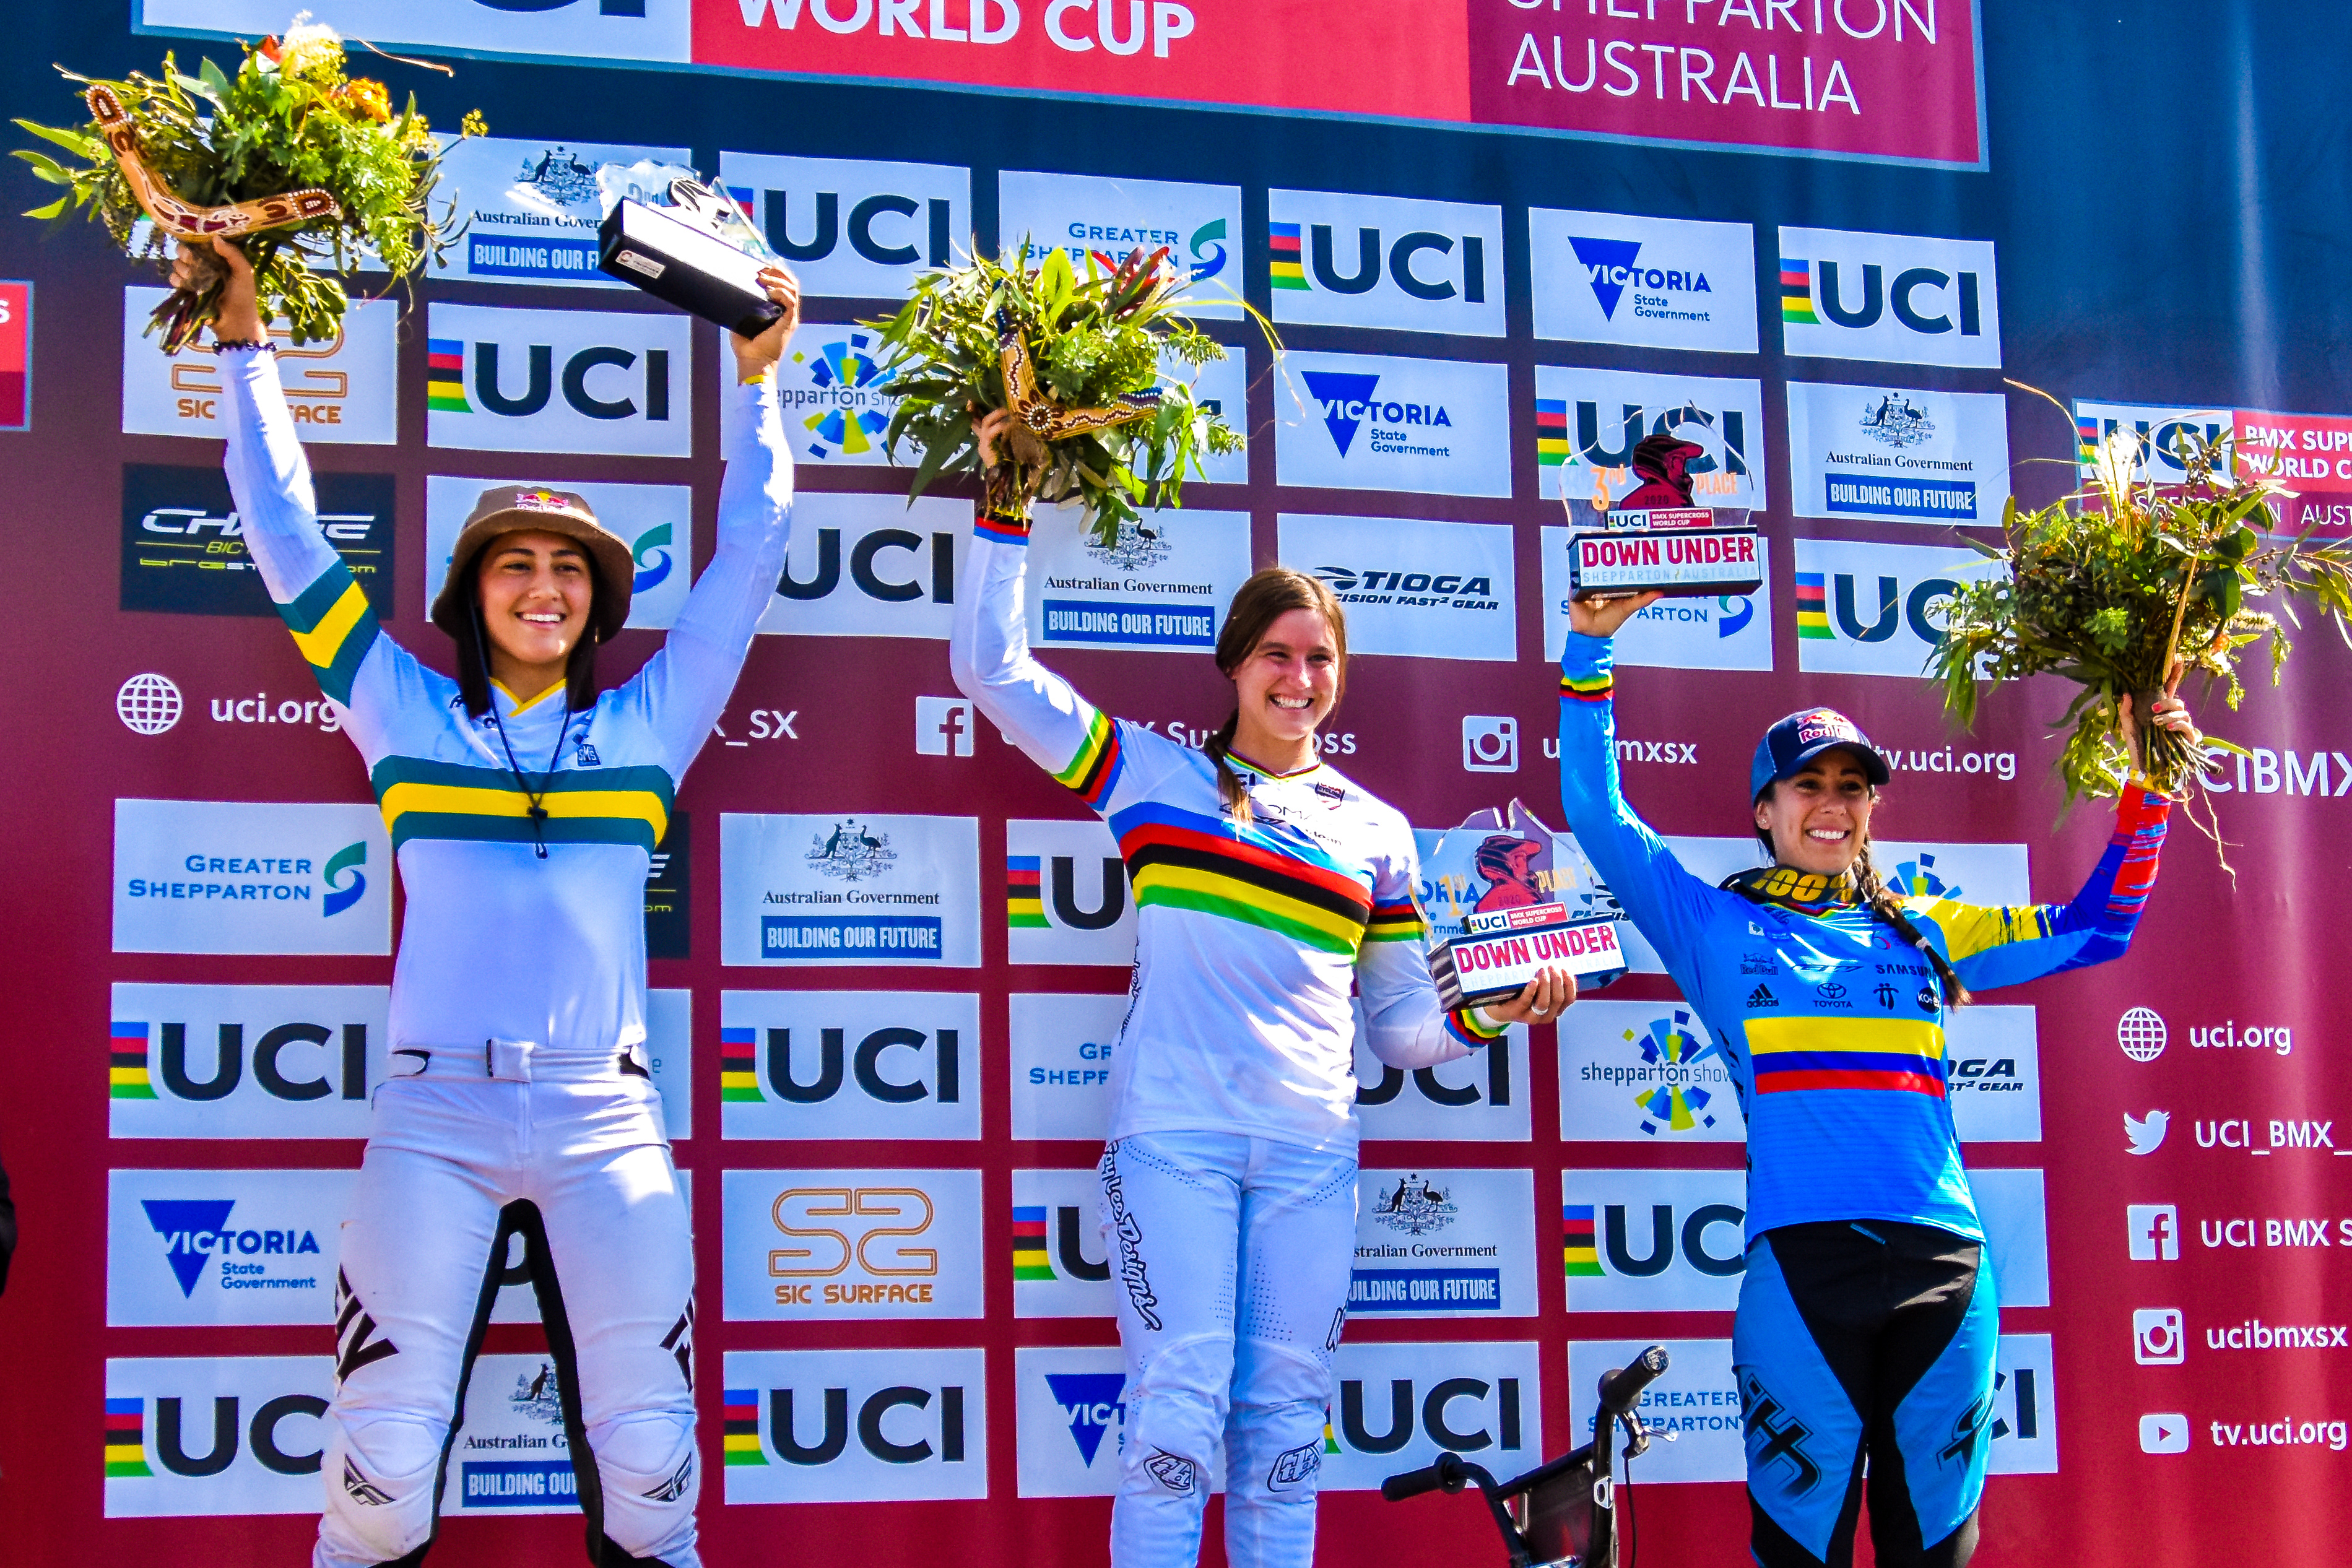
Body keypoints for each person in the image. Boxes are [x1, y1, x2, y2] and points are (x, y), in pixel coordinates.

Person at [182, 236, 800, 1568]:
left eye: (570, 570)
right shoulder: (398, 703)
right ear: (474, 594)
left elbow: (751, 555)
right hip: (435, 1110)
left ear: (596, 604)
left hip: (601, 1110)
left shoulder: (651, 724)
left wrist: (758, 383)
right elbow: (284, 536)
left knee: (652, 1460)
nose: (544, 588)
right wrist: (244, 347)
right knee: (382, 1460)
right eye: (516, 566)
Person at [949, 413, 1574, 1568]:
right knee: (1175, 1423)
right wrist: (1006, 497)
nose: (1300, 676)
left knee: (1286, 1435)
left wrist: (1493, 1009)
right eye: (1278, 653)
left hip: (1309, 1152)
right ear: (1235, 663)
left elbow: (1397, 1030)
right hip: (1175, 1140)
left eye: (1320, 656)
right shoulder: (1152, 772)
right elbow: (989, 670)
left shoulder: (1376, 830)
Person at [1556, 591, 2192, 1568]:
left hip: (1946, 1269)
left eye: (1852, 786)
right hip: (1802, 1276)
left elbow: (2099, 928)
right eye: (1806, 785)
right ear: (1764, 812)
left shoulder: (1924, 927)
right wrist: (1589, 648)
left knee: (1932, 1552)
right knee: (1800, 1551)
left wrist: (2152, 780)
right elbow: (1598, 815)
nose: (1832, 803)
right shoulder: (1715, 927)